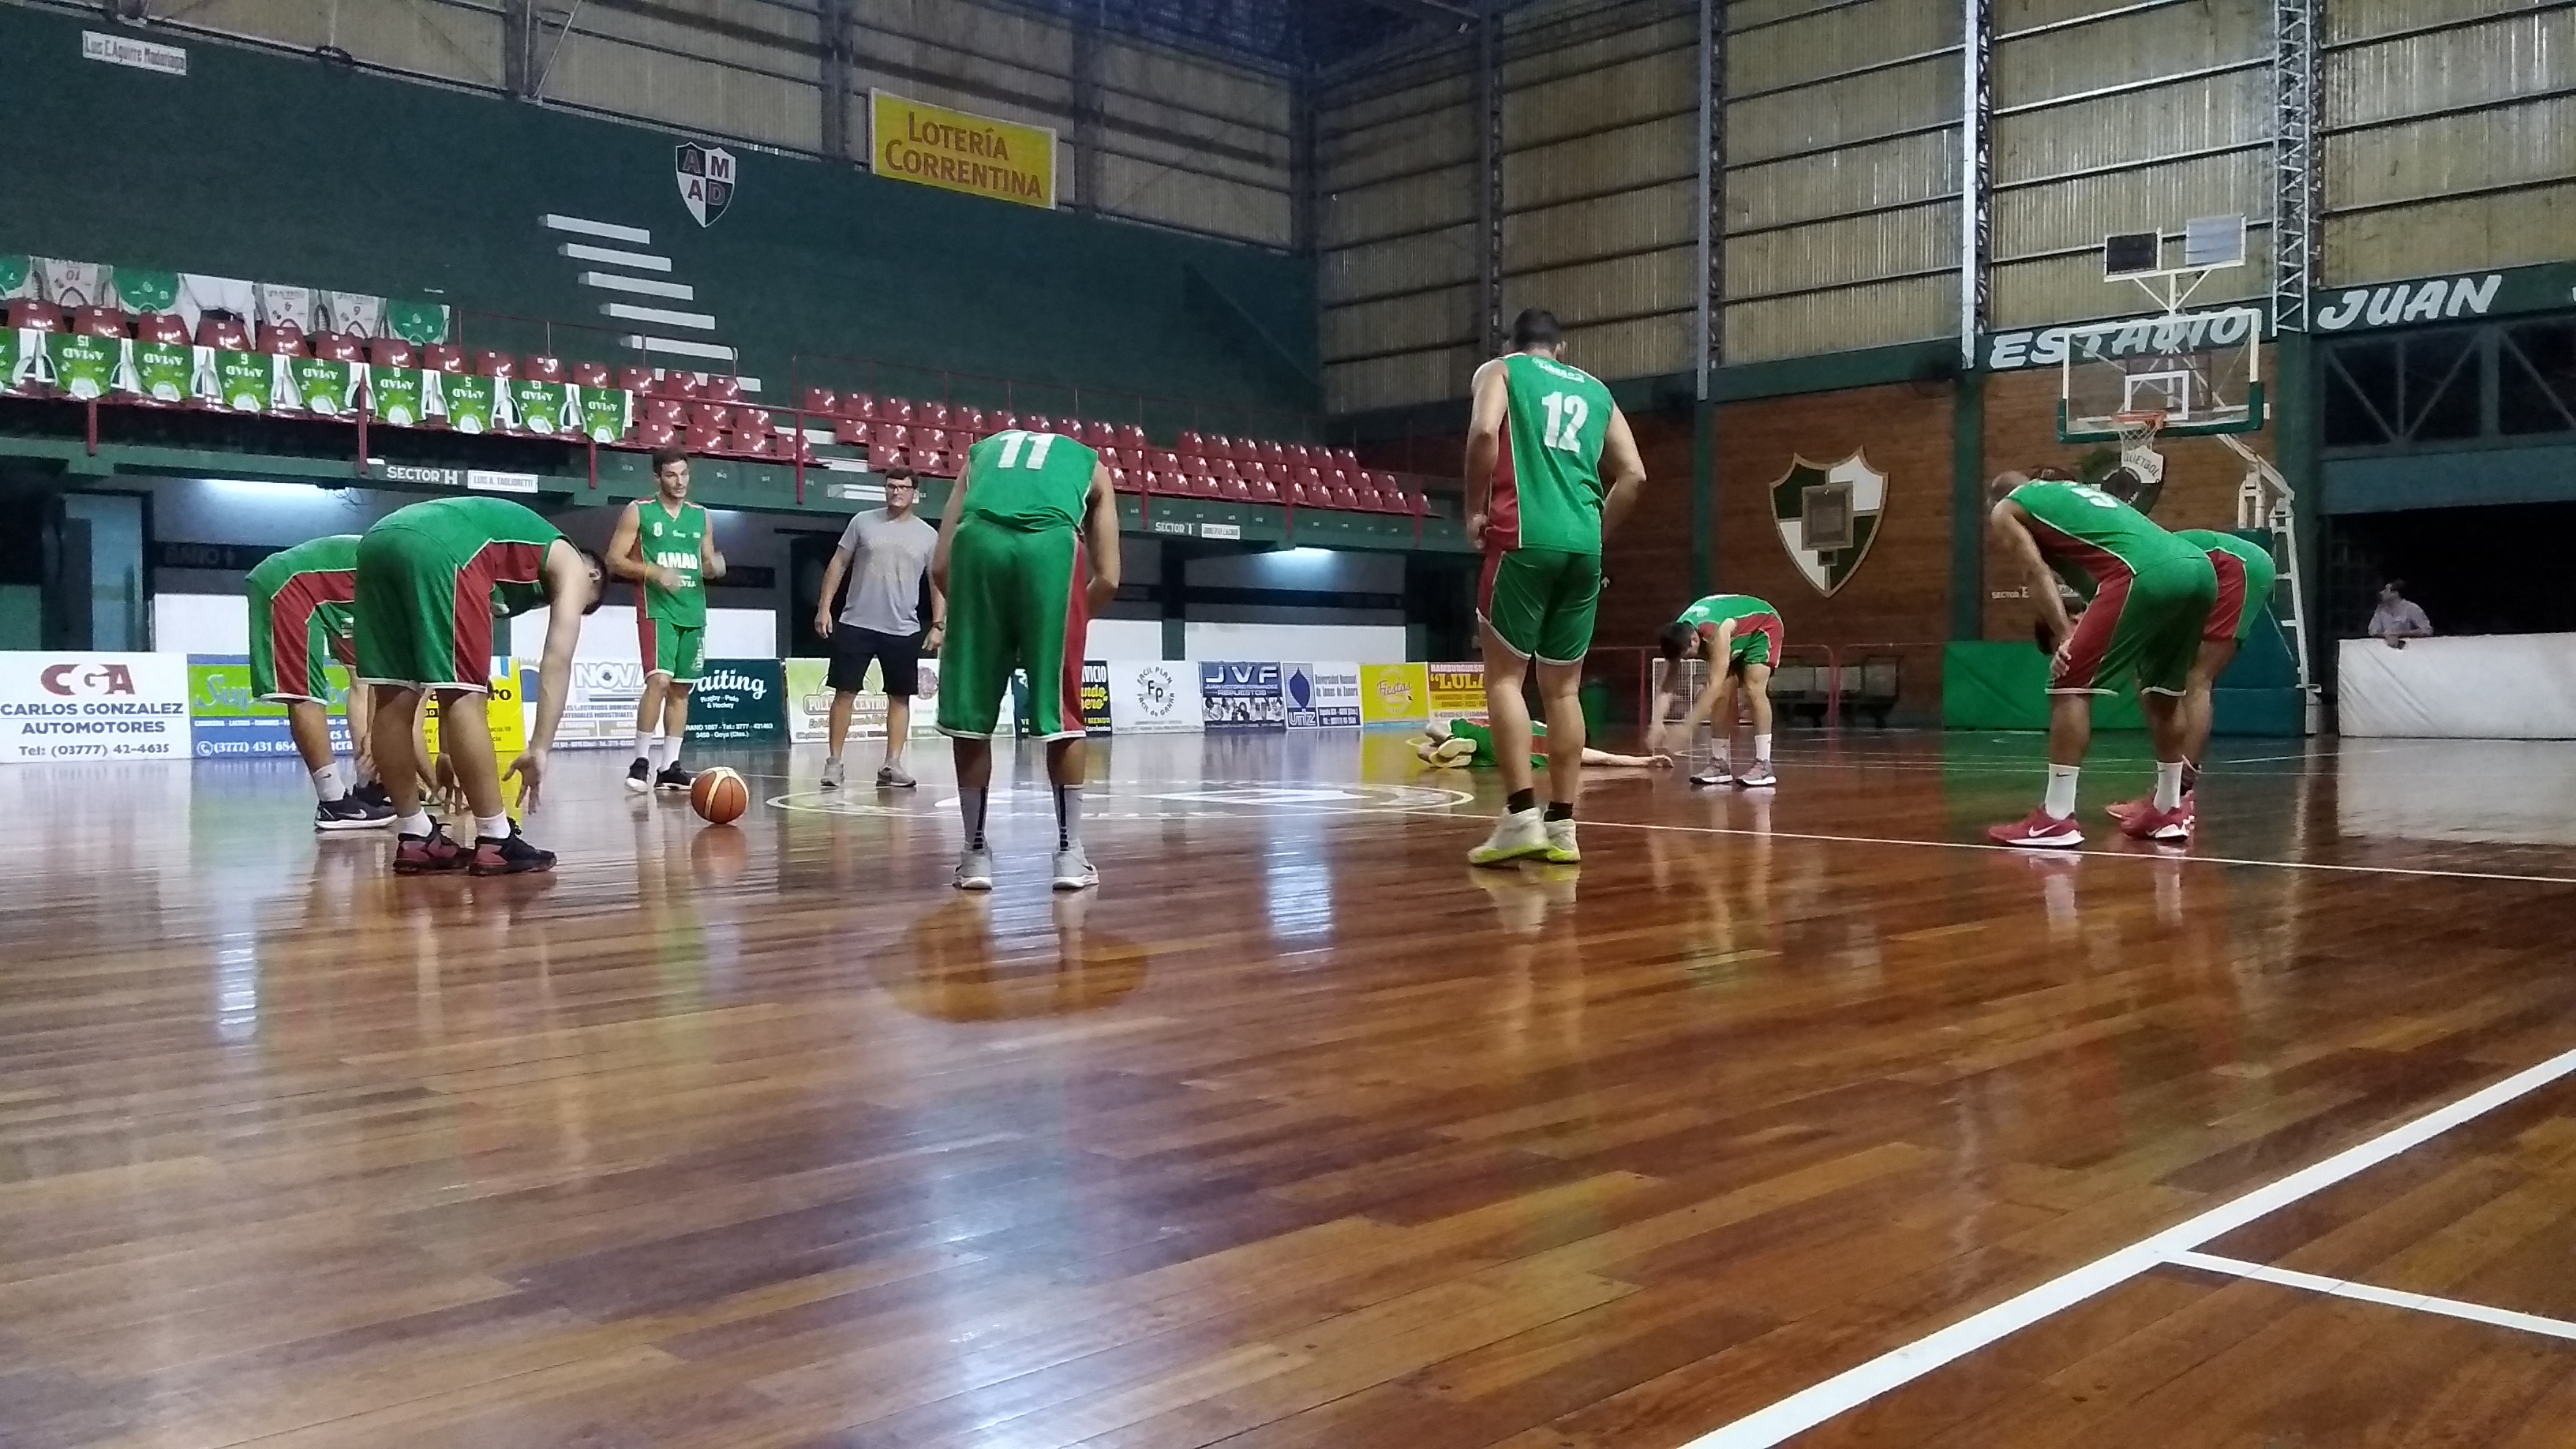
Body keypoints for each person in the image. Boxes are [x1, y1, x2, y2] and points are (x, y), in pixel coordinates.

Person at [1462, 307, 1649, 867]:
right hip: (1583, 548)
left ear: (1515, 343)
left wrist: (1474, 510)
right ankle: (1563, 827)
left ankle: (1520, 816)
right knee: (1563, 690)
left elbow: (1481, 434)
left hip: (1523, 536)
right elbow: (1635, 475)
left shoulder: (1499, 370)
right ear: (1561, 348)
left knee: (1505, 678)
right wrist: (1594, 530)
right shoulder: (1597, 391)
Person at [354, 495, 602, 874]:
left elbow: (444, 678)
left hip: (379, 539)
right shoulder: (570, 562)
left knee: (395, 693)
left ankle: (417, 836)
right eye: (584, 604)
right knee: (466, 695)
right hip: (444, 544)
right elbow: (556, 660)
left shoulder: (510, 562)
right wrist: (539, 748)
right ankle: (496, 838)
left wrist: (451, 753)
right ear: (593, 579)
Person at [931, 427, 1121, 892]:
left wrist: (984, 628)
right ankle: (1069, 856)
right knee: (1062, 714)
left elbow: (939, 566)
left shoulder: (979, 455)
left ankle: (975, 856)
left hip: (976, 550)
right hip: (1051, 551)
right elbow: (1111, 579)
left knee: (970, 716)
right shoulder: (1091, 464)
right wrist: (1067, 622)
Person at [1984, 469, 2215, 848]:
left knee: (2068, 682)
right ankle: (2169, 810)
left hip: (2141, 573)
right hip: (2196, 567)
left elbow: (2034, 571)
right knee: (2163, 691)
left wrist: (2064, 634)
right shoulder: (2067, 493)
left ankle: (2055, 819)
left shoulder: (2007, 509)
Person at [2107, 528, 2277, 826]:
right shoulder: (2126, 569)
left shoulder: (2124, 571)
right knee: (2155, 674)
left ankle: (2177, 797)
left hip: (2234, 565)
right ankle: (2167, 796)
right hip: (2211, 570)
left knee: (2196, 677)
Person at [245, 534, 395, 830]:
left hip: (337, 593)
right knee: (305, 692)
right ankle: (333, 803)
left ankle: (368, 784)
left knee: (362, 676)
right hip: (290, 583)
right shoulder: (419, 581)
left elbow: (372, 679)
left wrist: (377, 740)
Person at [813, 468, 943, 789]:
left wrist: (939, 623)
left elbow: (937, 581)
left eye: (903, 487)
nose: (896, 492)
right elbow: (838, 563)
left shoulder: (928, 535)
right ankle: (834, 764)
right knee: (844, 693)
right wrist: (824, 607)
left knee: (900, 697)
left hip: (903, 628)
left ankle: (892, 765)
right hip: (856, 622)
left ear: (916, 493)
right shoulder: (862, 522)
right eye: (890, 486)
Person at [607, 447, 725, 796]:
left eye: (684, 474)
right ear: (657, 477)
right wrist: (653, 571)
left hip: (693, 610)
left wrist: (714, 568)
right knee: (658, 680)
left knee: (681, 689)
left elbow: (705, 562)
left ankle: (669, 767)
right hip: (657, 608)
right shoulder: (639, 511)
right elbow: (614, 560)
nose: (679, 481)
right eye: (671, 475)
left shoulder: (701, 515)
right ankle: (640, 762)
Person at [1646, 593, 1784, 788]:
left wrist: (1686, 729)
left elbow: (1713, 686)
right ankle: (1720, 763)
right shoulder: (1678, 635)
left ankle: (1764, 765)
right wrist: (1657, 722)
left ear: (1694, 640)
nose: (1685, 661)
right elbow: (1667, 683)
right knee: (1722, 696)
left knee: (1753, 688)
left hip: (1762, 625)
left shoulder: (1716, 633)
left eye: (1686, 656)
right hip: (1735, 630)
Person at [1416, 716, 1672, 769]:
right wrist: (1645, 761)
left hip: (1494, 735)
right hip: (1503, 759)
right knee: (1424, 752)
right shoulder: (1568, 750)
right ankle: (1456, 754)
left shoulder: (1544, 725)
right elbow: (1607, 758)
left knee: (1432, 729)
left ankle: (1452, 740)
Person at [2368, 580, 2432, 648]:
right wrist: (2388, 636)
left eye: (2386, 590)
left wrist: (2399, 634)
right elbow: (2372, 631)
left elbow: (2427, 630)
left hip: (2410, 649)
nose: (2381, 593)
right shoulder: (2380, 609)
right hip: (2386, 649)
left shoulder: (2412, 608)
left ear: (2395, 593)